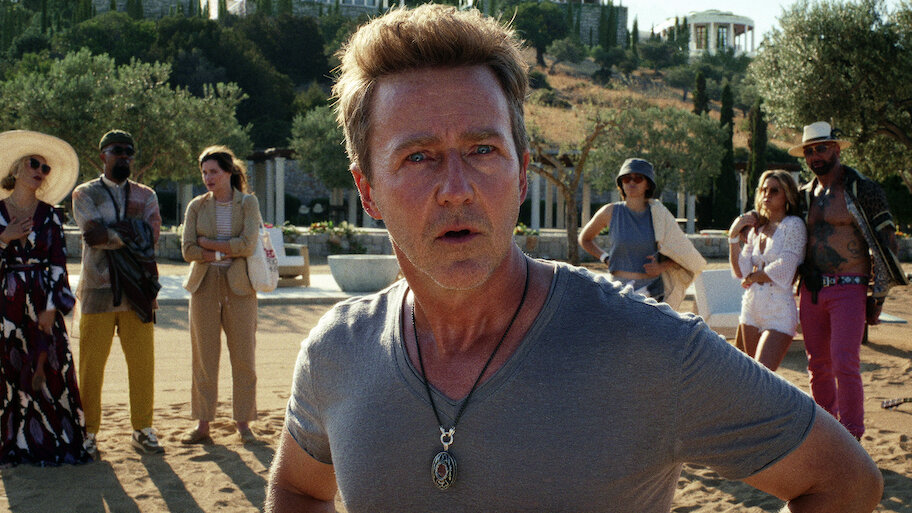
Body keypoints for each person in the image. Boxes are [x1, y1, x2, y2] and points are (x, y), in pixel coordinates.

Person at [265, 6, 882, 511]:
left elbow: (845, 483)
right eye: (418, 156)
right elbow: (297, 489)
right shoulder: (336, 353)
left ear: (521, 172)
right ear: (368, 189)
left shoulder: (648, 347)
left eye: (482, 149)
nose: (456, 188)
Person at [787, 121, 909, 439]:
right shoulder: (804, 196)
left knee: (844, 362)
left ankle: (852, 434)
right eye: (809, 151)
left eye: (821, 148)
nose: (815, 156)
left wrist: (878, 297)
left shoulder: (862, 188)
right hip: (812, 290)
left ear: (836, 149)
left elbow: (887, 244)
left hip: (850, 287)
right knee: (817, 365)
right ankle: (828, 433)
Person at [0, 130, 90, 467]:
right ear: (15, 169)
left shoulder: (51, 214)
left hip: (42, 301)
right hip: (5, 305)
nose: (40, 170)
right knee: (9, 370)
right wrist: (5, 238)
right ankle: (13, 444)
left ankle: (52, 443)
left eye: (45, 168)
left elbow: (57, 264)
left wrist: (52, 307)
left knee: (50, 368)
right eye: (33, 164)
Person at [71, 129, 164, 455]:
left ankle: (143, 429)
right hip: (97, 288)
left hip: (139, 290)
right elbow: (92, 235)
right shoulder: (84, 193)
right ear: (103, 156)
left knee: (142, 364)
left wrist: (113, 233)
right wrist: (133, 233)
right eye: (117, 151)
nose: (124, 156)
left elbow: (152, 235)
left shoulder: (146, 195)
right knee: (91, 366)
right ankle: (88, 432)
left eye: (129, 151)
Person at [180, 146, 261, 445]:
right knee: (204, 358)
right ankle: (203, 425)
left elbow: (248, 245)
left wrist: (209, 244)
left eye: (213, 171)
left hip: (240, 288)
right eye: (204, 172)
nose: (208, 177)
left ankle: (244, 424)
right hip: (203, 287)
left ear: (228, 172)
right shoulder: (196, 206)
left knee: (244, 357)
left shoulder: (248, 203)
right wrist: (223, 250)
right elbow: (188, 250)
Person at [578, 158, 705, 309]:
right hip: (617, 291)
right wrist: (604, 257)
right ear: (621, 183)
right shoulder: (609, 212)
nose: (631, 183)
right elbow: (585, 239)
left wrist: (662, 266)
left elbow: (684, 253)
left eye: (638, 178)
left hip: (652, 294)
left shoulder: (659, 214)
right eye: (626, 179)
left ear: (647, 184)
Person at [727, 170, 806, 370]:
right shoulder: (758, 230)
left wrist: (752, 277)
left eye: (774, 191)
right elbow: (740, 271)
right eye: (763, 190)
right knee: (748, 375)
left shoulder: (794, 225)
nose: (766, 195)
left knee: (763, 376)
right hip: (751, 307)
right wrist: (733, 236)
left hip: (779, 312)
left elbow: (784, 269)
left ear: (787, 195)